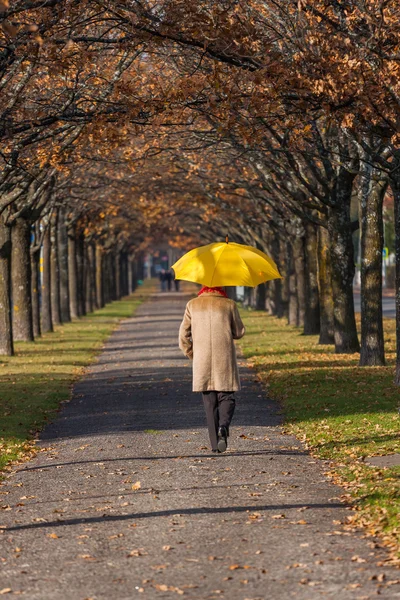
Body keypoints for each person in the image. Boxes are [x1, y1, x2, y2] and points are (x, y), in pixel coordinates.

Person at [178, 286, 245, 453]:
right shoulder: (229, 304)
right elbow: (239, 332)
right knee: (227, 395)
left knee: (209, 401)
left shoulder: (192, 305)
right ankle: (224, 426)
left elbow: (183, 336)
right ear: (221, 289)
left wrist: (192, 353)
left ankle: (215, 444)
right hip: (224, 357)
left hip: (202, 358)